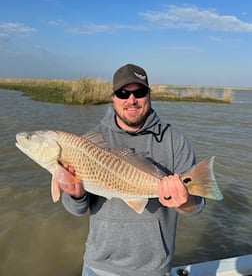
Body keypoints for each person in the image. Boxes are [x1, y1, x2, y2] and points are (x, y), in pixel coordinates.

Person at [58, 63, 205, 276]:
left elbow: (198, 206)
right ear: (113, 97)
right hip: (98, 267)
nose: (131, 100)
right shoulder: (91, 140)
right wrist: (76, 195)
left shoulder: (174, 140)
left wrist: (185, 201)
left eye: (140, 92)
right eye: (123, 93)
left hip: (153, 269)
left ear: (149, 95)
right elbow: (76, 210)